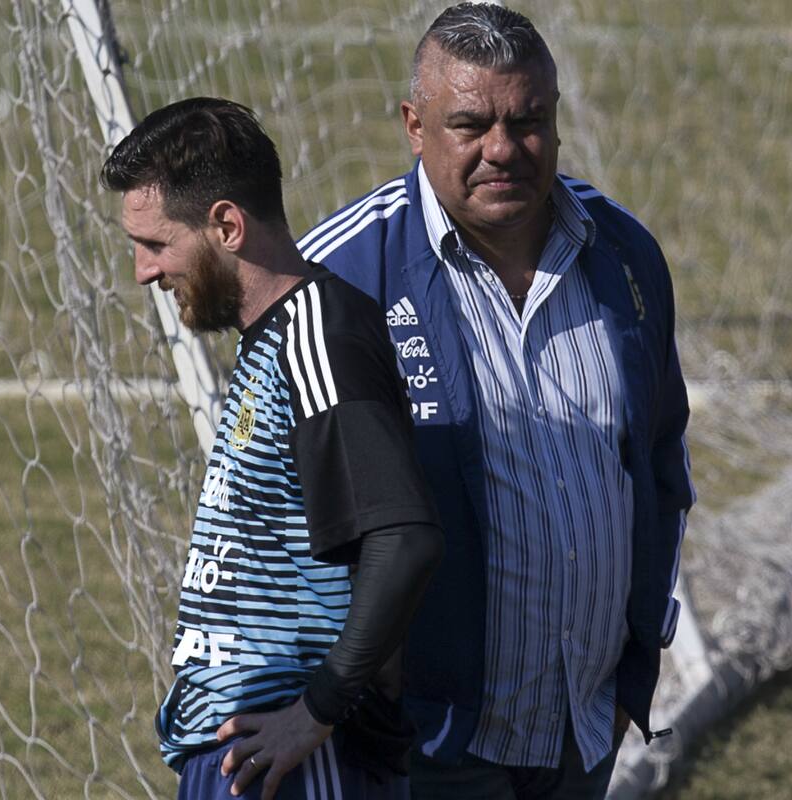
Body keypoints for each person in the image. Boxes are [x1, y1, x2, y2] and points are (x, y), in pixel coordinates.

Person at [296, 4, 695, 797]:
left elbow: (662, 466)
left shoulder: (624, 253)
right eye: (470, 124)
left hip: (584, 728)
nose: (503, 151)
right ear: (415, 125)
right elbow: (292, 518)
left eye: (529, 121)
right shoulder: (341, 278)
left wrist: (634, 666)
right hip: (424, 744)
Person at [101, 97, 444, 800]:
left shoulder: (320, 330)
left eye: (156, 244)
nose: (142, 270)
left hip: (295, 758)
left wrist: (313, 714)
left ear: (227, 224)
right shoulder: (274, 341)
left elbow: (403, 536)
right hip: (243, 752)